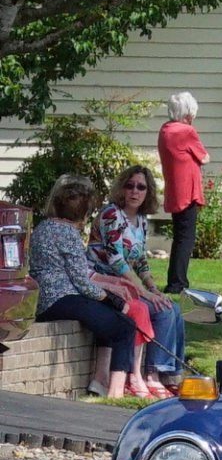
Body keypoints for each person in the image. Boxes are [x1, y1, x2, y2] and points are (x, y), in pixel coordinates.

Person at [28, 175, 138, 399]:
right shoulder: (69, 234)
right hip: (61, 299)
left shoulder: (41, 228)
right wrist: (110, 299)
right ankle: (115, 392)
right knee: (124, 327)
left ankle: (99, 382)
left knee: (108, 320)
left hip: (43, 299)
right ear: (85, 214)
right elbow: (82, 283)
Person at [92, 164, 187, 395]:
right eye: (130, 185)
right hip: (105, 281)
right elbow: (116, 260)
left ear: (148, 192)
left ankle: (169, 374)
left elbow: (140, 259)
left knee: (172, 307)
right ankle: (151, 375)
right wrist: (143, 293)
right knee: (160, 310)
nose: (135, 191)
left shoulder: (142, 220)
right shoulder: (111, 214)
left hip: (127, 282)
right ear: (122, 188)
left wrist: (153, 288)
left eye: (141, 187)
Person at [158, 91, 209, 292]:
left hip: (174, 190)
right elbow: (204, 157)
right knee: (186, 239)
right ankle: (177, 283)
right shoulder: (186, 132)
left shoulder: (165, 129)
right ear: (188, 113)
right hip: (187, 192)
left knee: (180, 237)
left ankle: (175, 281)